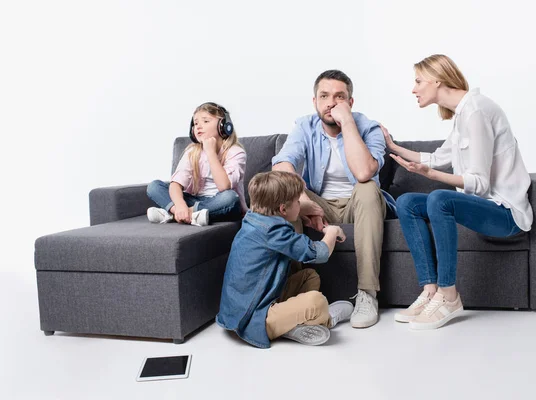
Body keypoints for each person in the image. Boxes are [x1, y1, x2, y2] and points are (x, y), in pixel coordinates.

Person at [385, 54, 533, 330]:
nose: (413, 89)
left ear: (437, 79)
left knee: (440, 198)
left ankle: (449, 295)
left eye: (418, 81)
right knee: (406, 203)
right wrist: (391, 146)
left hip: (505, 214)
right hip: (481, 207)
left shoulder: (477, 111)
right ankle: (431, 291)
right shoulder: (463, 115)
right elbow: (436, 158)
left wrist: (429, 175)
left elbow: (479, 183)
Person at [272, 70, 396, 329]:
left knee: (367, 187)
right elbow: (281, 167)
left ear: (350, 103)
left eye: (339, 97)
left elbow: (364, 172)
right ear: (315, 101)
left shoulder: (369, 128)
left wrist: (347, 123)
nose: (331, 103)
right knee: (285, 191)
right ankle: (292, 294)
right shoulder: (304, 126)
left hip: (359, 205)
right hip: (320, 206)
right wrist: (304, 203)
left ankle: (367, 294)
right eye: (324, 96)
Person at [216, 171, 354, 348]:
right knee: (317, 301)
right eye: (297, 202)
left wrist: (300, 210)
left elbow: (284, 215)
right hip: (253, 319)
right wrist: (333, 232)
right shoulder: (274, 232)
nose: (300, 204)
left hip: (249, 305)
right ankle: (325, 319)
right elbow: (319, 253)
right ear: (282, 209)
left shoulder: (255, 219)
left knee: (309, 276)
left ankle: (290, 327)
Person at [146, 102, 246, 226]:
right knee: (154, 186)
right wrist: (180, 205)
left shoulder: (235, 152)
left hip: (222, 203)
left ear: (223, 126)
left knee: (230, 198)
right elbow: (176, 184)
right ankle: (189, 214)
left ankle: (173, 214)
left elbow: (224, 186)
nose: (198, 126)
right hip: (195, 201)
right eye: (196, 123)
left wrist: (211, 152)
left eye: (205, 121)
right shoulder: (192, 152)